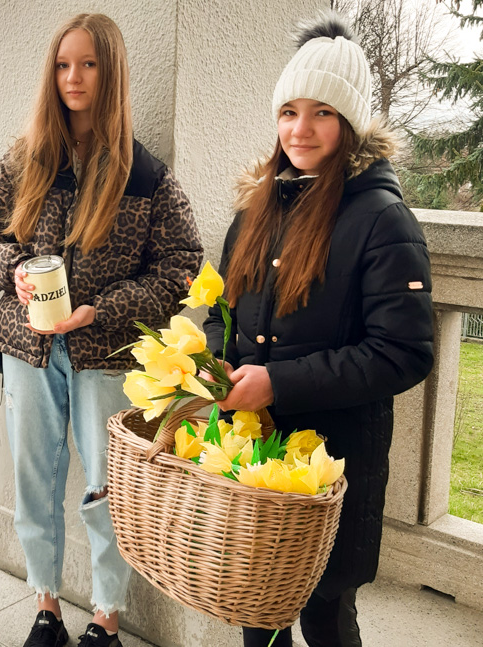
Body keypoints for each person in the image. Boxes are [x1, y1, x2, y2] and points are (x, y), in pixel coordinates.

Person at [0, 14, 203, 647]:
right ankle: (45, 605)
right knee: (33, 481)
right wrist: (15, 270)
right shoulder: (27, 160)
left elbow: (182, 268)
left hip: (108, 355)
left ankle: (106, 616)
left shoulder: (144, 174)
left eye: (89, 64)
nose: (73, 77)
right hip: (28, 350)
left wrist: (103, 309)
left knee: (107, 491)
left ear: (112, 72)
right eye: (63, 64)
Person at [203, 14, 434, 647]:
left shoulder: (383, 219)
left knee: (327, 617)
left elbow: (404, 352)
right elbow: (221, 309)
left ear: (350, 123)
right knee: (260, 608)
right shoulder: (256, 207)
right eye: (289, 111)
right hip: (257, 452)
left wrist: (277, 382)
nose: (300, 129)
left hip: (335, 459)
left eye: (322, 113)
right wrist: (211, 363)